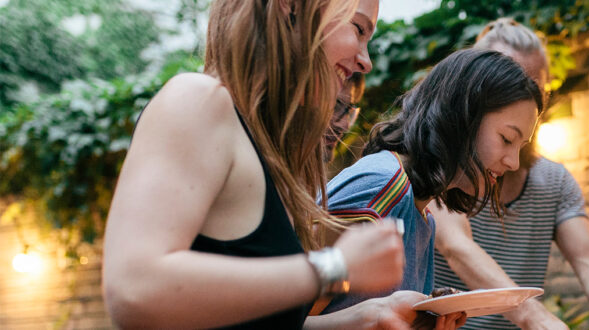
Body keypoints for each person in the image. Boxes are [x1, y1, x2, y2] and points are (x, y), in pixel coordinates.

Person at [101, 0, 410, 328]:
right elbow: (133, 289)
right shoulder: (197, 100)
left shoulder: (268, 154)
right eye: (358, 29)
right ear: (289, 6)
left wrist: (363, 319)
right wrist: (334, 268)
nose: (366, 61)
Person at [430, 18, 589, 330]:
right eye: (507, 85)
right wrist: (534, 315)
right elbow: (456, 245)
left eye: (534, 87)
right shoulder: (442, 167)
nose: (523, 99)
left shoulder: (553, 181)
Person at [314, 48, 544, 327]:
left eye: (521, 147)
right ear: (462, 117)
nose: (513, 162)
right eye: (507, 139)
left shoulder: (423, 217)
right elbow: (276, 318)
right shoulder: (380, 185)